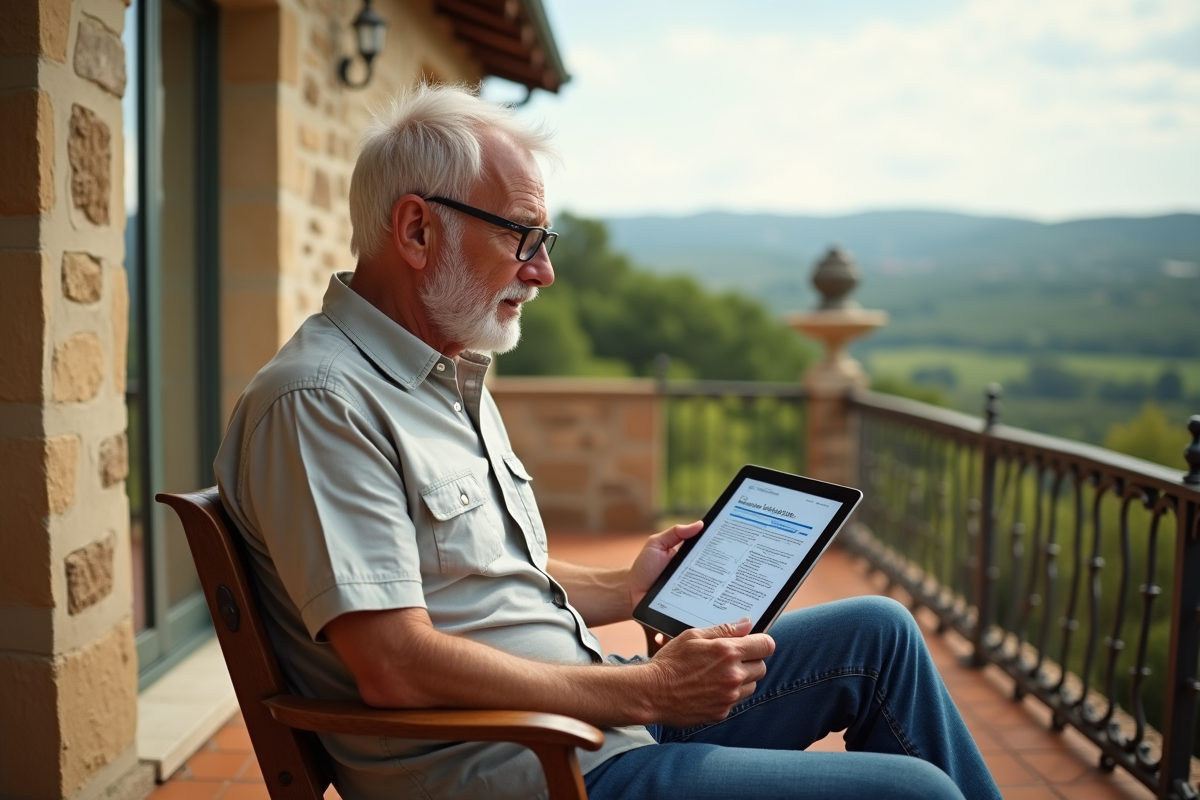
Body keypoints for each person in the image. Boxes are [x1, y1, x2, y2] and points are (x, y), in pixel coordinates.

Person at [214, 83, 1001, 800]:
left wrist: (627, 588)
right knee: (913, 794)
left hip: (585, 712)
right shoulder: (320, 401)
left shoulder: (436, 374)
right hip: (533, 766)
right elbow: (394, 665)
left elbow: (463, 569)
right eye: (522, 237)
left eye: (544, 238)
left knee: (879, 634)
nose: (544, 271)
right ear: (416, 229)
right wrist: (652, 691)